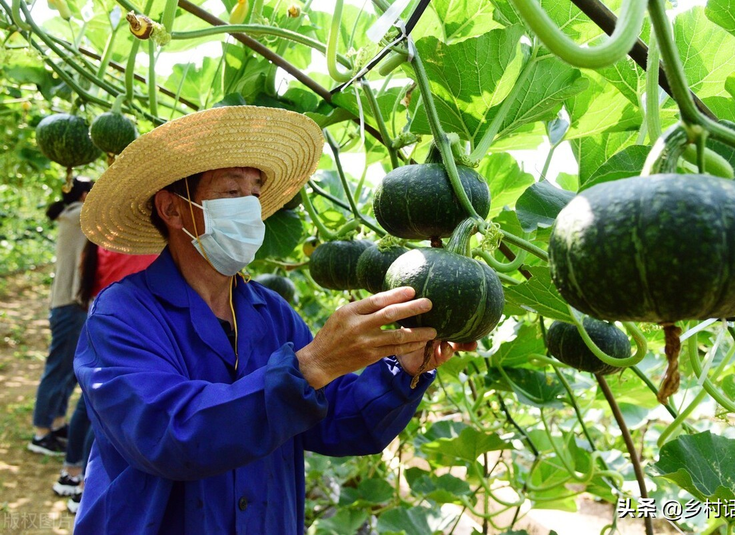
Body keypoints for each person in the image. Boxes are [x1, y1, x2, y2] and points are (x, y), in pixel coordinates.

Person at [73, 106, 475, 533]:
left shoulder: (271, 313)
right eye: (231, 193)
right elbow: (167, 436)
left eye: (254, 193)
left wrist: (403, 370)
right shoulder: (121, 316)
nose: (249, 208)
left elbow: (335, 423)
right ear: (173, 210)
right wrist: (312, 366)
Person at [52, 242, 157, 514]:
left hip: (99, 317)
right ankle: (86, 488)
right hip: (124, 326)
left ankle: (70, 473)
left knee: (87, 402)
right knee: (106, 409)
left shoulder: (101, 244)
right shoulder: (142, 248)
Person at [28, 177, 93, 456]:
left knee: (68, 369)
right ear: (83, 195)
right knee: (60, 368)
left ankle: (55, 423)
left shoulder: (72, 215)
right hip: (70, 304)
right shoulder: (80, 215)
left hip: (70, 303)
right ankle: (41, 433)